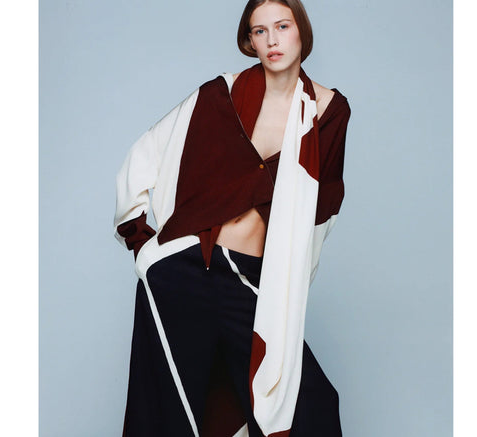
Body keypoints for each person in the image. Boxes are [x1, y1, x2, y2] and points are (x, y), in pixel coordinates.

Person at [113, 1, 351, 435]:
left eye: (282, 26)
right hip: (189, 270)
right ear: (249, 40)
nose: (272, 40)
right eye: (260, 31)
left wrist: (290, 290)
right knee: (170, 414)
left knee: (310, 407)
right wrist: (143, 244)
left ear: (301, 30)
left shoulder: (328, 110)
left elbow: (322, 210)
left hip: (255, 280)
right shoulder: (221, 93)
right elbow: (145, 154)